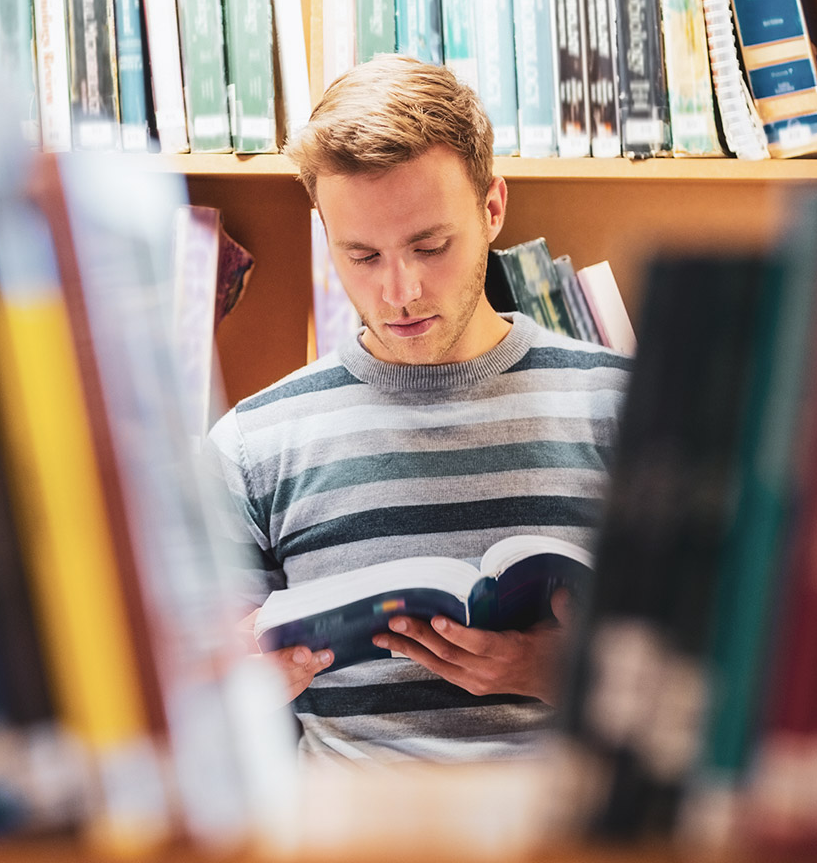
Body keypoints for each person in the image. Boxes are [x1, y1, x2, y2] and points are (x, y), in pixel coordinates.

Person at [207, 55, 631, 762]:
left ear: (493, 208)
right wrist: (235, 689)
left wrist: (560, 673)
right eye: (362, 256)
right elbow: (181, 718)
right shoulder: (253, 446)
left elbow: (729, 679)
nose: (399, 291)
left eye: (430, 246)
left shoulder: (622, 408)